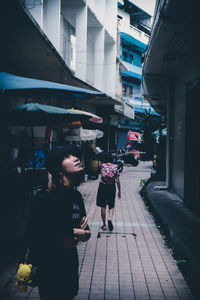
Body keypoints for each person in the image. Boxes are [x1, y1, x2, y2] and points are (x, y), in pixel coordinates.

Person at [27, 144, 91, 300]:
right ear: (59, 169)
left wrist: (83, 234)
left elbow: (85, 231)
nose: (75, 158)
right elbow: (42, 234)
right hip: (50, 269)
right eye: (67, 157)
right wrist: (75, 233)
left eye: (74, 156)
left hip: (70, 267)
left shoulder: (76, 197)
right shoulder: (45, 198)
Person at [96, 152, 121, 231]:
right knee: (111, 205)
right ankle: (110, 218)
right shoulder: (115, 167)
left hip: (102, 186)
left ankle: (104, 225)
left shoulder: (102, 166)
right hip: (111, 187)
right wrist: (119, 191)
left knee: (103, 206)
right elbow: (117, 180)